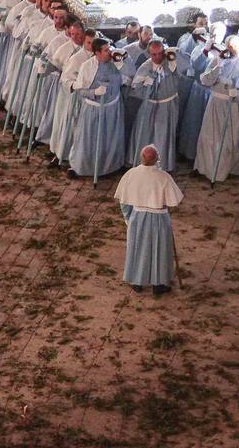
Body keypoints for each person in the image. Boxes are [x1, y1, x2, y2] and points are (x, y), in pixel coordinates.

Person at [113, 146, 184, 295]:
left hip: (138, 217)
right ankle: (158, 284)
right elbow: (173, 202)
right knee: (160, 250)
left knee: (138, 249)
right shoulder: (163, 177)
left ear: (141, 158)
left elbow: (124, 202)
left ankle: (137, 281)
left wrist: (128, 218)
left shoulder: (131, 174)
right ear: (157, 159)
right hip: (159, 216)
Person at [194, 37, 239, 183]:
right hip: (215, 104)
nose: (231, 49)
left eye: (234, 46)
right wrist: (219, 67)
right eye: (229, 46)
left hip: (233, 106)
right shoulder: (218, 60)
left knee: (231, 139)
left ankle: (228, 170)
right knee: (210, 138)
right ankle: (208, 169)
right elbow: (205, 80)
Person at [68, 38, 127, 179]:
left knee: (110, 139)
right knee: (89, 139)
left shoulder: (116, 63)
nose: (109, 52)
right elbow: (80, 90)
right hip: (93, 110)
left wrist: (123, 65)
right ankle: (84, 167)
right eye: (106, 50)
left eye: (109, 49)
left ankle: (110, 167)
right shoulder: (87, 67)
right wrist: (94, 92)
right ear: (97, 53)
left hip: (112, 108)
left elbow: (129, 77)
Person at [125, 40, 182, 171]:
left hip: (167, 105)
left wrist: (174, 57)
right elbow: (135, 89)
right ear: (149, 54)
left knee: (163, 135)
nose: (157, 57)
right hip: (149, 106)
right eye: (154, 54)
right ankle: (143, 161)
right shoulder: (145, 67)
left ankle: (163, 164)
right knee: (145, 133)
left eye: (160, 53)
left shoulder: (171, 62)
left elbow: (186, 69)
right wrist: (145, 84)